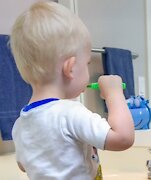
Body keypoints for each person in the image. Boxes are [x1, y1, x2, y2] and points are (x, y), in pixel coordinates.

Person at [10, 2, 134, 179]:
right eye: (87, 64)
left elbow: (24, 166)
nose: (88, 70)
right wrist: (114, 93)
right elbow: (123, 138)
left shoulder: (20, 125)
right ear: (70, 68)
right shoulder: (70, 113)